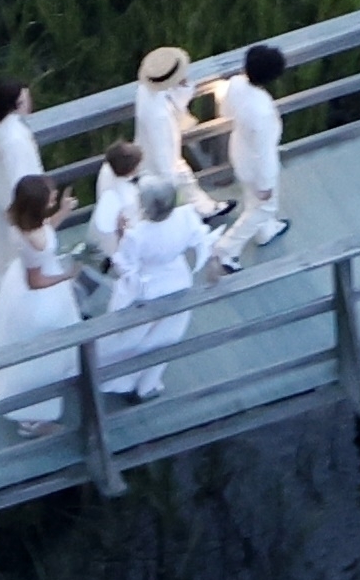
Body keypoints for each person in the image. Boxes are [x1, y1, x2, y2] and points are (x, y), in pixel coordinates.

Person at [0, 173, 83, 435]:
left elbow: (45, 230)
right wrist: (66, 276)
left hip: (22, 282)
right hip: (39, 299)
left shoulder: (23, 223)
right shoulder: (34, 240)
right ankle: (32, 418)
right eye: (52, 197)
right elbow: (36, 281)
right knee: (41, 356)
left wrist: (63, 212)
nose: (55, 197)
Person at [98, 178, 208, 400]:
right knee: (165, 336)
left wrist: (121, 235)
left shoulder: (137, 234)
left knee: (131, 336)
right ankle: (148, 384)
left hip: (146, 287)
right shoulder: (186, 215)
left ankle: (119, 376)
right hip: (177, 280)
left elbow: (125, 266)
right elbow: (199, 238)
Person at [214, 44, 290, 270]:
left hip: (239, 150)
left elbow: (225, 111)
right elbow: (264, 153)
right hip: (257, 165)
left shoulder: (235, 84)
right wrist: (266, 183)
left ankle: (265, 231)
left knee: (252, 197)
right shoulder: (262, 111)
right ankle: (225, 250)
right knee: (264, 205)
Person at [135, 46, 231, 219]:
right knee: (177, 180)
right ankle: (189, 215)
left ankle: (205, 209)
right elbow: (162, 153)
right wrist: (168, 175)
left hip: (154, 150)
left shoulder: (146, 89)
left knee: (186, 179)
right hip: (161, 157)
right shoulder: (158, 115)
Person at [0, 80, 44, 287]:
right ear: (14, 105)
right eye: (24, 99)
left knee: (1, 239)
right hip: (16, 195)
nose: (29, 102)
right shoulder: (14, 139)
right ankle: (17, 283)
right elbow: (21, 175)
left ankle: (2, 278)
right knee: (19, 244)